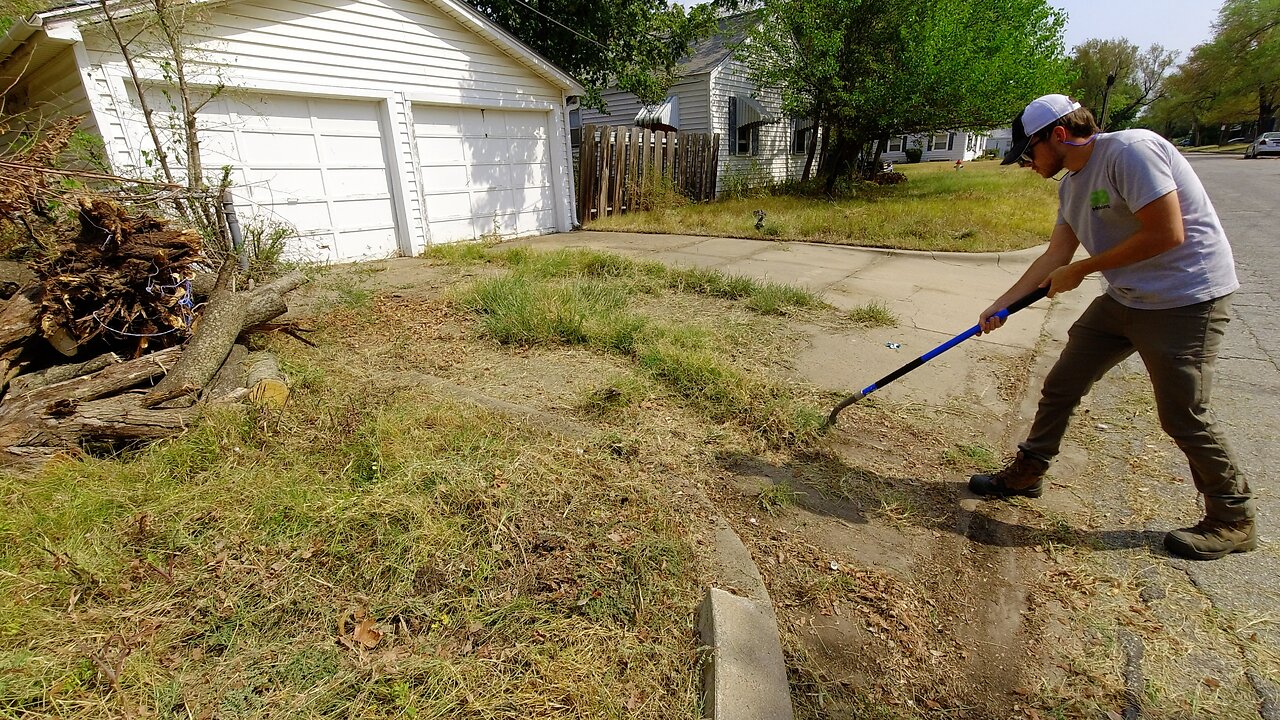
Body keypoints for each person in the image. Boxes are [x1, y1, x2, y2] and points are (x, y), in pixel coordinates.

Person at [969, 94, 1255, 561]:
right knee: (1062, 382)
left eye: (1028, 152)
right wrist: (1001, 305)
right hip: (1125, 298)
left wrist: (1084, 270)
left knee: (1183, 414)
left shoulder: (1131, 150)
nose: (1024, 163)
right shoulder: (1072, 187)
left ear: (1057, 136)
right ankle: (1030, 471)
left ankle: (1233, 517)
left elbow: (1167, 233)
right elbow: (1055, 257)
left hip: (1185, 299)